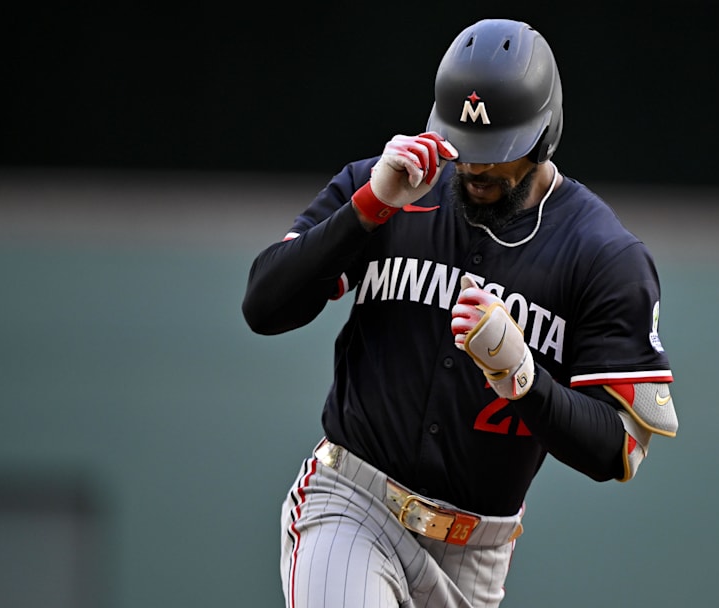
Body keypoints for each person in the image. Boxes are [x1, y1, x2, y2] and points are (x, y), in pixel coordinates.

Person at [242, 18, 679, 608]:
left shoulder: (603, 254)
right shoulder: (393, 187)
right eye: (465, 148)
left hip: (476, 554)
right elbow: (264, 306)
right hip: (353, 504)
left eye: (496, 154)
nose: (473, 170)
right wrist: (367, 207)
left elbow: (618, 449)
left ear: (544, 137)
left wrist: (520, 377)